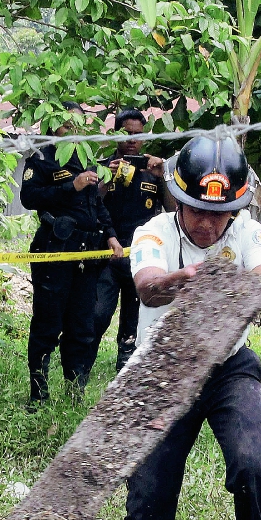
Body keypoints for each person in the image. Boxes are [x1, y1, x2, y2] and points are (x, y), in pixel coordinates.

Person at [95, 136, 261, 520]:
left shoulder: (249, 232)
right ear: (176, 200)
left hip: (230, 366)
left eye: (220, 214)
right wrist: (185, 280)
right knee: (150, 489)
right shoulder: (152, 233)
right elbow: (146, 284)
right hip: (164, 368)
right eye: (197, 212)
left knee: (253, 468)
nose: (208, 224)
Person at [21, 102, 124, 406]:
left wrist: (111, 235)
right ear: (54, 126)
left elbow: (98, 205)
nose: (73, 130)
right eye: (67, 124)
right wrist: (70, 187)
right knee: (47, 324)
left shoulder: (88, 158)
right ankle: (38, 394)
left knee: (82, 327)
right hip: (54, 250)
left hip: (87, 253)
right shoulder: (42, 158)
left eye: (78, 124)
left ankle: (74, 394)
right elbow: (29, 197)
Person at [91, 109, 169, 371]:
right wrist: (106, 179)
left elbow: (170, 209)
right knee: (97, 315)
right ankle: (81, 368)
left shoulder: (153, 169)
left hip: (141, 255)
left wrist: (163, 178)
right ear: (116, 135)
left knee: (133, 322)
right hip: (107, 253)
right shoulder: (103, 167)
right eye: (126, 134)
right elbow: (90, 205)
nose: (132, 140)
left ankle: (125, 370)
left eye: (138, 135)